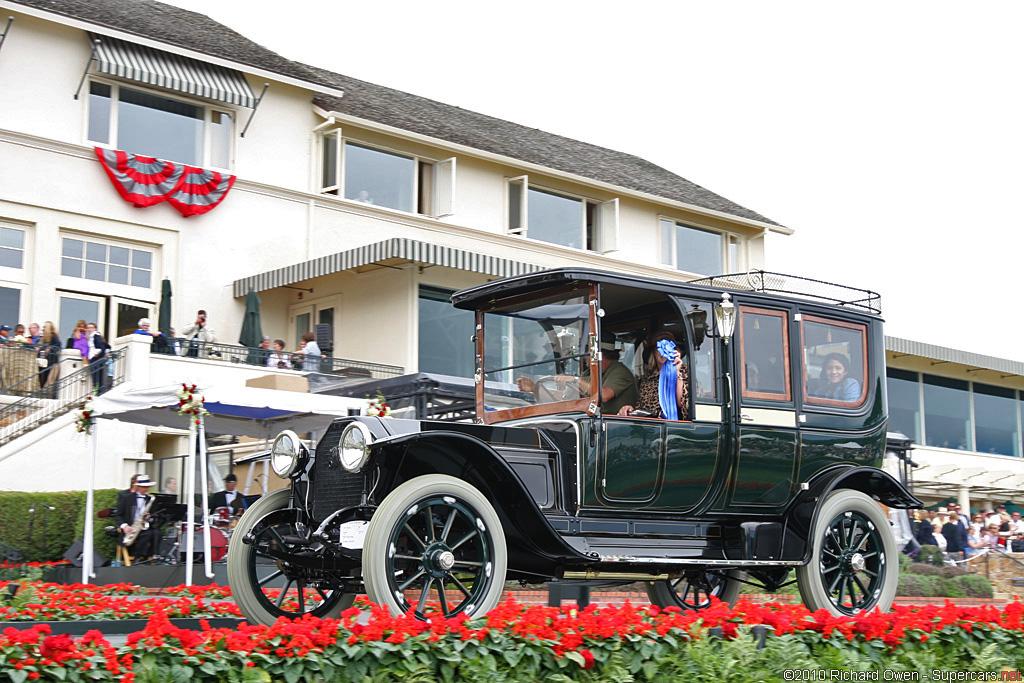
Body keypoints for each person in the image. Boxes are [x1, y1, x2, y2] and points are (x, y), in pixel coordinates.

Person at [516, 331, 637, 416]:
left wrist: (575, 380)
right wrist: (535, 388)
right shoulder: (589, 373)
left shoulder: (619, 371)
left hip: (612, 429)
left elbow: (603, 395)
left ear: (600, 354)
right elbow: (564, 397)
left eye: (587, 352)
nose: (584, 356)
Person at [618, 331, 690, 420]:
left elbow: (684, 405)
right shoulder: (647, 380)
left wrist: (676, 373)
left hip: (675, 430)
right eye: (659, 348)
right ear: (653, 352)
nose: (663, 352)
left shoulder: (687, 374)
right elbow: (641, 410)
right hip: (649, 430)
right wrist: (630, 410)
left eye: (668, 348)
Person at [114, 474, 159, 561]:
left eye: (147, 487)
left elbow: (153, 516)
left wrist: (149, 518)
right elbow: (117, 515)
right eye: (144, 487)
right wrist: (125, 526)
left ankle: (148, 557)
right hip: (131, 527)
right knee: (147, 534)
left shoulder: (150, 499)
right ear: (137, 487)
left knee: (157, 533)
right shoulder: (127, 498)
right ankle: (138, 558)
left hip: (144, 526)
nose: (146, 489)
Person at [37, 321, 62, 395]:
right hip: (43, 361)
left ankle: (44, 393)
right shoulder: (43, 339)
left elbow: (58, 345)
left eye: (44, 328)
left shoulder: (53, 336)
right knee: (42, 377)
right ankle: (42, 391)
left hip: (50, 362)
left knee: (47, 378)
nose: (43, 330)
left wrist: (50, 348)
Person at [85, 323, 110, 394]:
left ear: (95, 328)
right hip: (96, 358)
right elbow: (107, 346)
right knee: (98, 376)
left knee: (96, 376)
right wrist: (106, 352)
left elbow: (100, 347)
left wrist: (96, 354)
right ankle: (99, 392)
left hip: (96, 358)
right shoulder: (94, 336)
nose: (89, 329)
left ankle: (99, 392)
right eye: (88, 328)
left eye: (91, 327)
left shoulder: (95, 335)